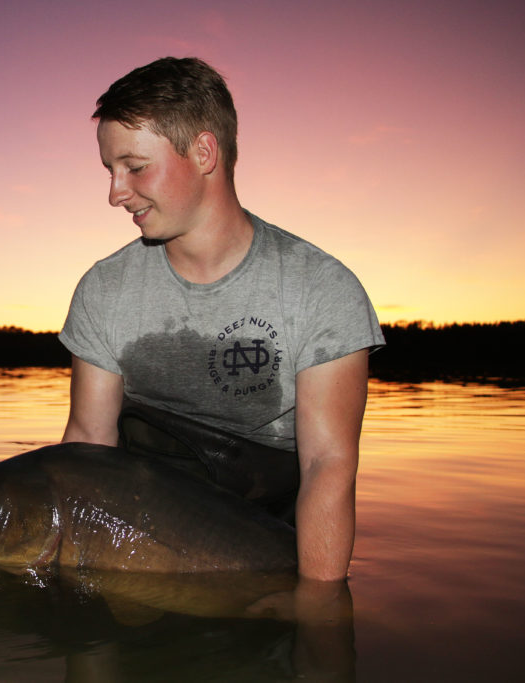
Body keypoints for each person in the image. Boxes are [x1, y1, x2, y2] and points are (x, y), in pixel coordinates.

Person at [59, 57, 385, 582]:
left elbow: (328, 467)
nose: (115, 193)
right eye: (110, 171)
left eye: (134, 167)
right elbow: (89, 445)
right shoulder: (104, 290)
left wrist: (319, 611)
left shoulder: (322, 290)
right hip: (137, 534)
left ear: (204, 152)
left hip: (267, 540)